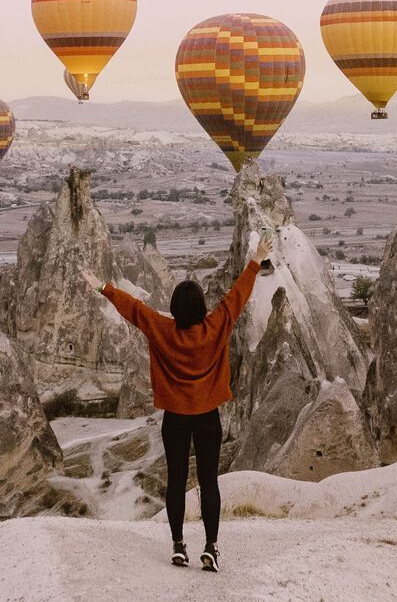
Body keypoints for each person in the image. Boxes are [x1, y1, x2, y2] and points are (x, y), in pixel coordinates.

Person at [82, 235, 270, 573]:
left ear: (174, 308)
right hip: (208, 418)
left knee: (176, 480)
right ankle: (211, 547)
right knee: (209, 482)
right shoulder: (215, 327)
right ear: (200, 308)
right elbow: (235, 298)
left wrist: (103, 287)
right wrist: (255, 260)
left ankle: (178, 545)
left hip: (176, 420)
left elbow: (135, 310)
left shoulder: (162, 330)